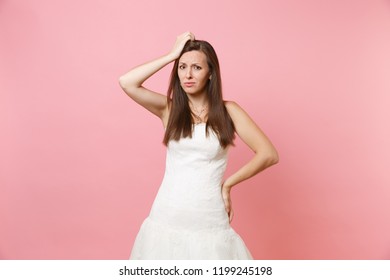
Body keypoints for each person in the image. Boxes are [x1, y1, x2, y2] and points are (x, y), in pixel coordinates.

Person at [118, 31, 279, 259]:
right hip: (167, 214)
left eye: (197, 67)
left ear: (211, 73)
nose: (188, 75)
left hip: (209, 214)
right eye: (182, 67)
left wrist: (228, 185)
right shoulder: (169, 109)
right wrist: (171, 56)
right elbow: (127, 82)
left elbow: (268, 154)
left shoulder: (229, 111)